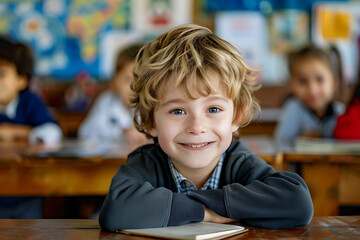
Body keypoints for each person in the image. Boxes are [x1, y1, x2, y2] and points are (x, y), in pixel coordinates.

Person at [99, 24, 313, 231]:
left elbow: (297, 201)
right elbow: (115, 212)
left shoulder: (239, 162)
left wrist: (183, 206)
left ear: (236, 116)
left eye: (213, 109)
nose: (197, 127)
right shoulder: (147, 163)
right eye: (177, 111)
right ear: (151, 122)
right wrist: (204, 212)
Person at [0, 36, 62, 218]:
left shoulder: (29, 101)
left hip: (27, 192)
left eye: (2, 74)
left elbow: (53, 132)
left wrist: (16, 132)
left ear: (21, 80)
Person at [274, 45, 346, 148]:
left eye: (320, 79)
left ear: (334, 83)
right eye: (303, 81)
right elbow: (280, 145)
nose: (312, 89)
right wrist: (299, 141)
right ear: (291, 85)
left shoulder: (341, 112)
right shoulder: (293, 109)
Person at [78, 44, 148, 145]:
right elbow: (86, 133)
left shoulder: (154, 106)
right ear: (114, 82)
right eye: (127, 79)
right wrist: (121, 132)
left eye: (140, 80)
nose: (134, 87)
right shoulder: (106, 101)